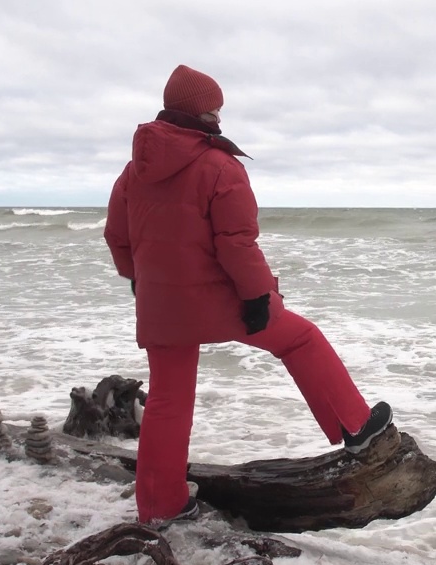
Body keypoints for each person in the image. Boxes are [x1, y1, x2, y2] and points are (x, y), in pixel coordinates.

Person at [104, 64, 393, 527]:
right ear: (200, 111)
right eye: (214, 107)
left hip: (161, 304)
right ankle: (356, 426)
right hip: (221, 301)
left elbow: (116, 236)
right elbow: (236, 244)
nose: (219, 115)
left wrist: (139, 280)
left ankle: (161, 506)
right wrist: (259, 297)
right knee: (300, 338)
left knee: (167, 401)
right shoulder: (220, 165)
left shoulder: (134, 170)